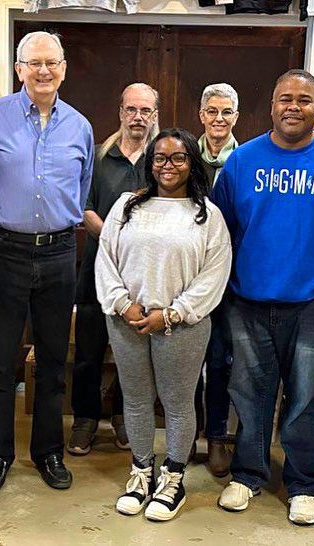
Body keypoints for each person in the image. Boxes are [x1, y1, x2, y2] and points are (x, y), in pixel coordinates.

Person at [214, 69, 314, 525]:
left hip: (312, 306)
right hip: (248, 301)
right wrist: (226, 287)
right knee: (250, 392)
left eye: (304, 100)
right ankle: (248, 476)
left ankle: (304, 485)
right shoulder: (242, 163)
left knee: (304, 398)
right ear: (271, 105)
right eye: (286, 98)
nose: (293, 107)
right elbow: (219, 231)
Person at [0, 31, 94, 492]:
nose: (43, 71)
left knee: (55, 359)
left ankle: (48, 453)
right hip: (4, 252)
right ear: (19, 68)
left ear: (64, 68)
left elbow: (80, 192)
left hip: (60, 251)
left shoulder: (79, 126)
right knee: (1, 360)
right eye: (34, 63)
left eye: (52, 63)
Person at [96, 128, 232, 521]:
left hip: (181, 325)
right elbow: (105, 259)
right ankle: (141, 472)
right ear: (149, 163)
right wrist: (123, 304)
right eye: (159, 158)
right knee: (135, 400)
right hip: (127, 320)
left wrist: (172, 313)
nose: (167, 166)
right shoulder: (126, 206)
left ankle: (173, 478)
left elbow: (214, 275)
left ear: (192, 163)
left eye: (178, 158)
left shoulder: (207, 215)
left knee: (176, 403)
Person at [67, 82, 159, 456]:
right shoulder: (98, 156)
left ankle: (123, 416)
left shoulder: (161, 160)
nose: (138, 117)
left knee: (133, 352)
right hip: (95, 272)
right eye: (131, 109)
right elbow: (84, 209)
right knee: (88, 351)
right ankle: (85, 420)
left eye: (146, 111)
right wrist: (114, 239)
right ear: (120, 112)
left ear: (155, 116)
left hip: (143, 278)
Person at [194, 83, 240, 476]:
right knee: (187, 360)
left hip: (229, 280)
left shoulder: (246, 162)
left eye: (227, 112)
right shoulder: (184, 157)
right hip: (187, 278)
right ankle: (187, 433)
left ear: (235, 118)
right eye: (212, 111)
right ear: (201, 115)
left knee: (222, 360)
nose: (219, 119)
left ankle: (217, 438)